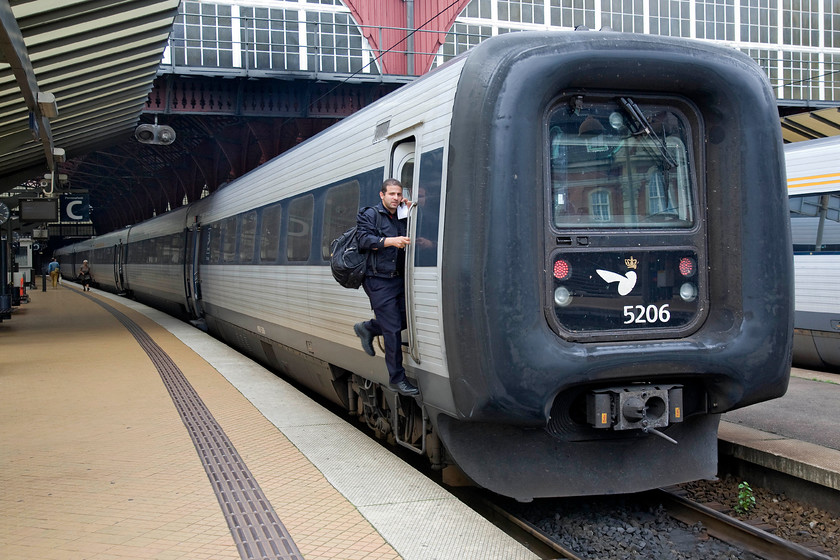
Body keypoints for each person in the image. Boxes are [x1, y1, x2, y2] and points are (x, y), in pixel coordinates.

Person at [353, 178, 419, 396]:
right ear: (382, 195)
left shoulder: (401, 214)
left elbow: (410, 236)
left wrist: (413, 214)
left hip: (398, 278)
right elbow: (363, 240)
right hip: (377, 279)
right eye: (392, 194)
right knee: (391, 329)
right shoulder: (369, 214)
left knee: (407, 319)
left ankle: (370, 328)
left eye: (399, 194)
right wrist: (390, 241)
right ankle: (397, 379)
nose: (396, 198)